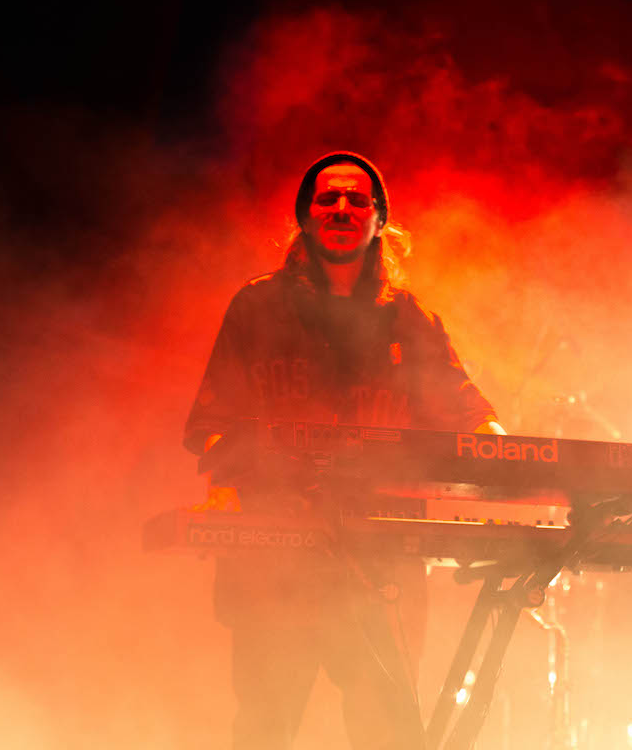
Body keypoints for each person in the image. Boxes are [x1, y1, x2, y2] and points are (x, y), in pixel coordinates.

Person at [184, 151, 505, 750]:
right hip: (275, 560)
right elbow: (211, 423)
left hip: (381, 561)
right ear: (305, 217)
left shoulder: (409, 320)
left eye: (358, 200)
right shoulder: (257, 307)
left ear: (380, 221)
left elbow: (469, 415)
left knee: (386, 731)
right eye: (328, 197)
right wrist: (232, 485)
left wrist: (514, 457)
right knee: (265, 729)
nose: (341, 208)